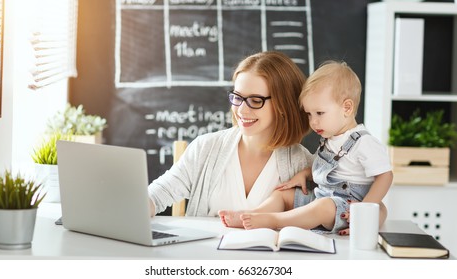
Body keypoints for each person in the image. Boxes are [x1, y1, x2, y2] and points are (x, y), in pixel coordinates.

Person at [219, 60, 393, 235]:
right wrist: (305, 174)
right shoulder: (330, 139)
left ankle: (273, 220)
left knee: (322, 206)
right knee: (283, 195)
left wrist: (365, 210)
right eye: (309, 114)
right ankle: (251, 215)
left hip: (345, 206)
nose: (313, 122)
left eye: (319, 113)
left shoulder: (363, 142)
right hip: (322, 197)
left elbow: (385, 176)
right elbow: (327, 168)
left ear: (347, 108)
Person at [148, 51, 315, 216]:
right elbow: (158, 194)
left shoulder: (303, 165)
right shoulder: (205, 148)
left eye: (255, 101)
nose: (241, 110)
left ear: (283, 106)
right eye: (238, 97)